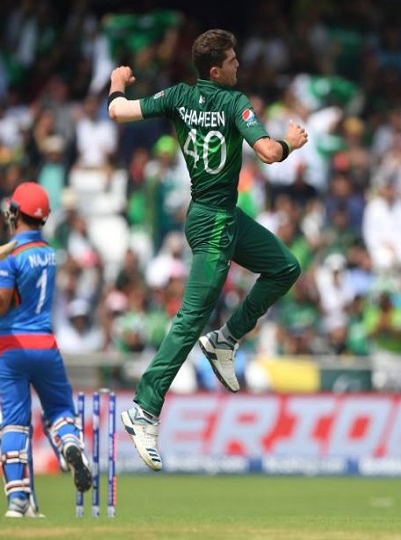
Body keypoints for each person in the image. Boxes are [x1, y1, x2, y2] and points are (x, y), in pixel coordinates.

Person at [107, 28, 308, 471]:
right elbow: (268, 153)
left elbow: (118, 111)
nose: (239, 65)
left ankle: (226, 340)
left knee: (285, 267)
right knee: (190, 318)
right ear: (215, 71)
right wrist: (291, 143)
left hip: (215, 215)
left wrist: (118, 82)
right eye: (232, 61)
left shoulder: (178, 96)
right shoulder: (234, 103)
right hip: (215, 224)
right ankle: (143, 409)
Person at [0, 182, 92, 517]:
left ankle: (19, 500)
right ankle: (70, 444)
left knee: (13, 422)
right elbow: (9, 274)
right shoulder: (49, 254)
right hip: (45, 345)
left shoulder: (12, 258)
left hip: (11, 348)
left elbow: (2, 302)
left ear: (15, 213)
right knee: (60, 410)